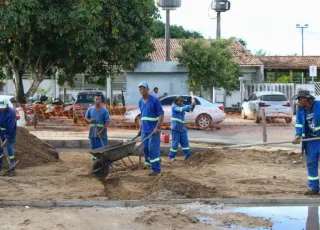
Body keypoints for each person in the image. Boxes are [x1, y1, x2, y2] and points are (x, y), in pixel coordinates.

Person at [293, 90, 320, 195]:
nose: (298, 101)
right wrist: (298, 135)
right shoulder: (300, 110)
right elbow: (299, 124)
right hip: (310, 142)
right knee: (311, 165)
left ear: (307, 98)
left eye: (300, 99)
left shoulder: (319, 105)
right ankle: (314, 188)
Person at [138, 82, 164, 176]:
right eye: (140, 88)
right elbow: (142, 115)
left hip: (154, 130)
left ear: (148, 89)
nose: (142, 90)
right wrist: (140, 127)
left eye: (144, 88)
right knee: (145, 148)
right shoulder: (140, 102)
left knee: (152, 148)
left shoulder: (154, 100)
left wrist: (157, 127)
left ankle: (156, 169)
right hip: (145, 130)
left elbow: (161, 114)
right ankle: (154, 160)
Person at [169, 96, 196, 162]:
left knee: (185, 143)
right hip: (175, 128)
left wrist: (193, 105)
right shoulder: (174, 106)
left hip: (182, 128)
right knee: (175, 143)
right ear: (176, 101)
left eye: (182, 101)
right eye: (180, 101)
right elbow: (180, 109)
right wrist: (190, 105)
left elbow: (190, 110)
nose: (182, 102)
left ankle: (188, 156)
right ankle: (172, 156)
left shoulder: (182, 105)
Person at [0, 97, 17, 176]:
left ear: (7, 105)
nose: (2, 109)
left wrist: (6, 140)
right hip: (1, 131)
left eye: (3, 108)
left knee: (9, 147)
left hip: (10, 132)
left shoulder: (11, 113)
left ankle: (12, 165)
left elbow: (10, 127)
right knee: (0, 149)